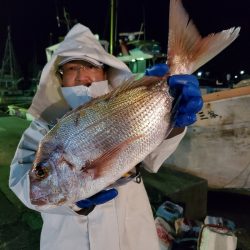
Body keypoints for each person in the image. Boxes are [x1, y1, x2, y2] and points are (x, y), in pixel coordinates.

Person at [9, 24, 202, 250]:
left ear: (105, 71)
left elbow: (151, 159)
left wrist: (174, 125)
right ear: (59, 77)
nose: (81, 75)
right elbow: (23, 181)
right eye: (71, 68)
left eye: (90, 65)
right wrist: (71, 204)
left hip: (132, 236)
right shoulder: (45, 127)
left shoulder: (128, 109)